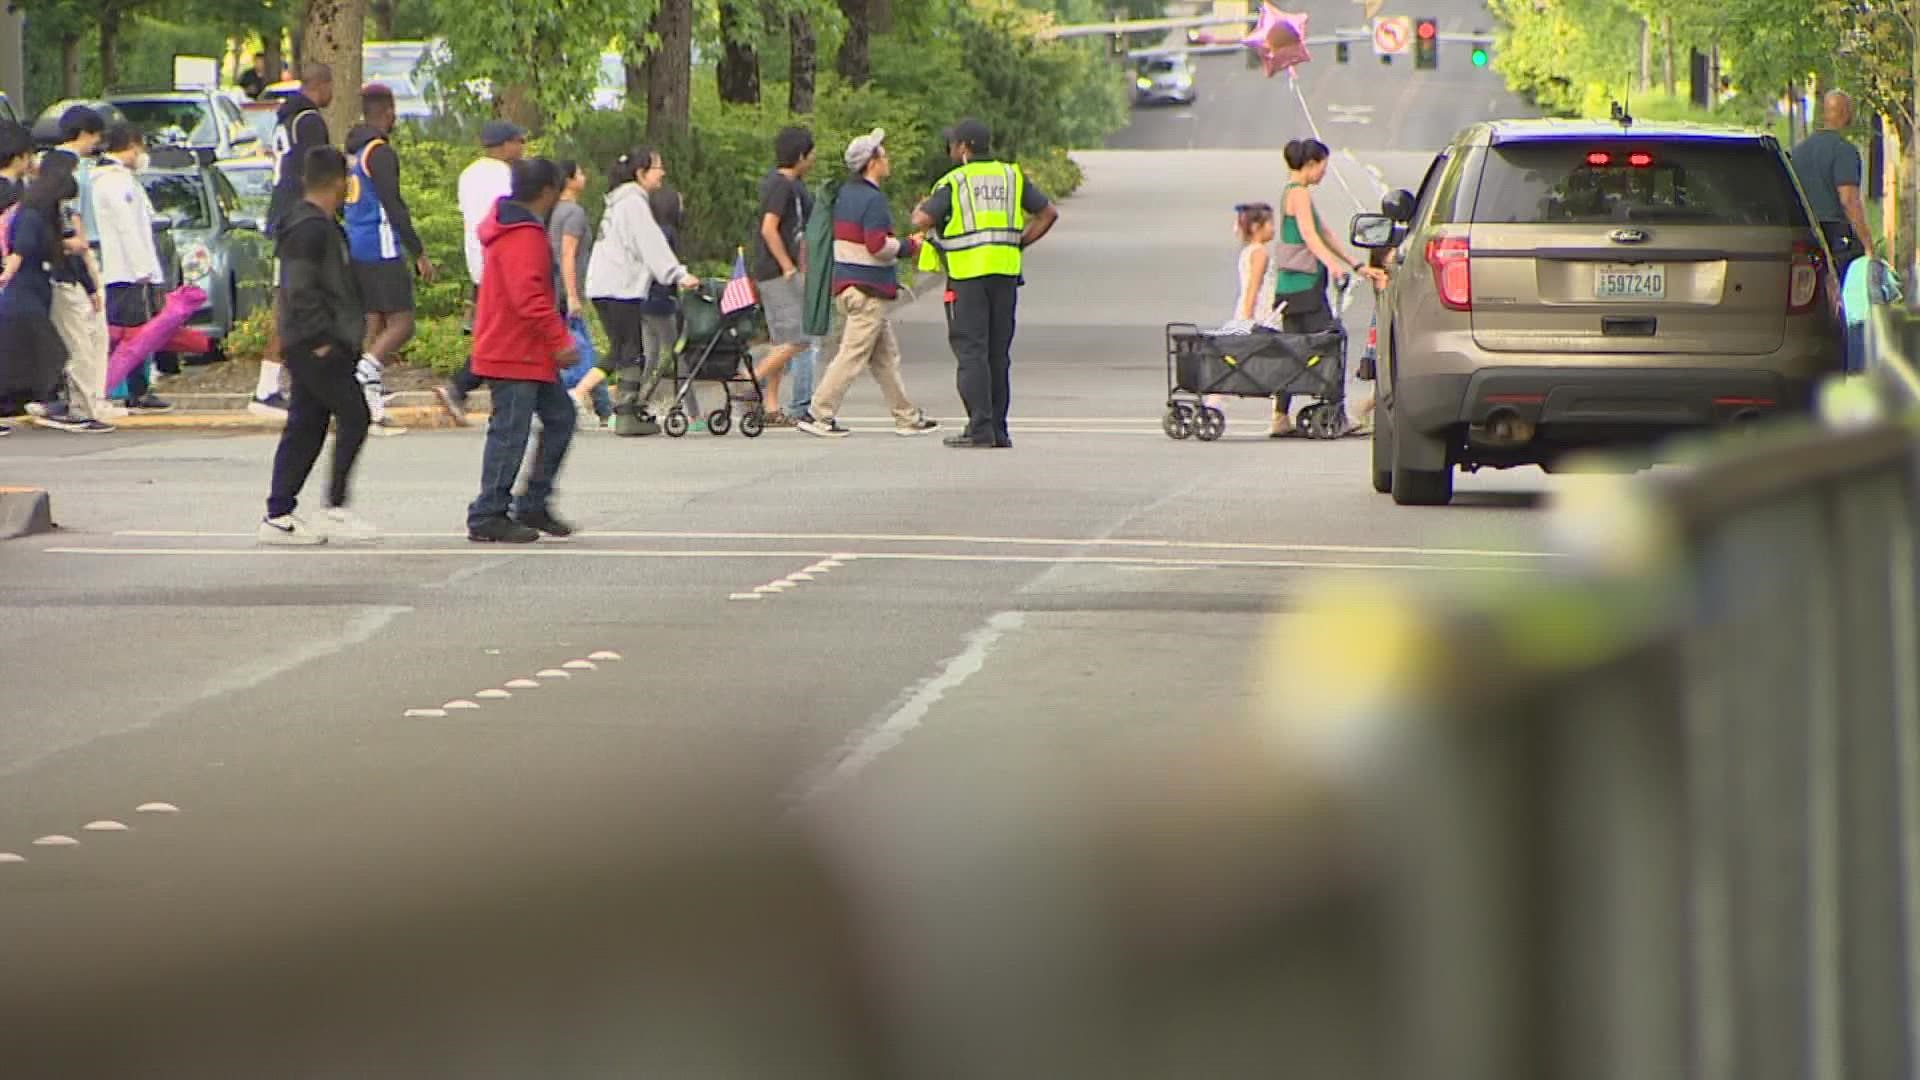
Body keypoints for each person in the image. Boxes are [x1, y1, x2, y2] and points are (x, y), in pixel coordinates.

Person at [912, 118, 1058, 449]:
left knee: (971, 351)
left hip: (967, 277)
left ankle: (979, 427)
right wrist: (1019, 242)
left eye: (952, 144)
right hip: (1006, 274)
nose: (950, 149)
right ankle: (999, 429)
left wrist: (919, 209)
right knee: (998, 353)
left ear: (964, 148)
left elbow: (922, 220)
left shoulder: (956, 181)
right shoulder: (1012, 176)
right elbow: (1047, 213)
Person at [259, 147, 377, 545]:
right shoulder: (309, 228)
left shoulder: (319, 225)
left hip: (318, 341)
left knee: (306, 425)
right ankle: (333, 508)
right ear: (340, 182)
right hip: (316, 344)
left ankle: (279, 513)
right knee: (354, 414)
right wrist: (321, 340)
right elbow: (300, 287)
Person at [467, 159, 581, 544]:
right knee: (510, 431)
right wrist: (560, 340)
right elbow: (528, 296)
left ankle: (533, 500)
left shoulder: (514, 228)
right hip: (514, 351)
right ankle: (488, 511)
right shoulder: (524, 235)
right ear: (548, 191)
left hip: (525, 351)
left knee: (560, 417)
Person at [798, 129, 938, 439]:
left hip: (848, 285)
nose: (888, 159)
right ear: (872, 162)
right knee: (851, 355)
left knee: (886, 358)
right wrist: (908, 247)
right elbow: (877, 245)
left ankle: (906, 416)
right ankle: (818, 413)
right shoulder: (872, 200)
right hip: (867, 291)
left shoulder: (845, 194)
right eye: (883, 154)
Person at [1269, 138, 1386, 437]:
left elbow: (1325, 233)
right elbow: (1310, 235)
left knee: (1293, 349)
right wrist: (1333, 266)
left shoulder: (1293, 193)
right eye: (1323, 166)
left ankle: (1280, 417)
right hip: (1305, 287)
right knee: (1332, 341)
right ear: (1311, 164)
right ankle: (1337, 412)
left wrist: (1356, 265)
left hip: (1290, 288)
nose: (1324, 173)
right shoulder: (1299, 195)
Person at [579, 146, 698, 432]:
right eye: (658, 167)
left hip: (603, 284)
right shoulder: (633, 202)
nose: (663, 173)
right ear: (640, 172)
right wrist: (678, 274)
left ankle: (622, 409)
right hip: (620, 286)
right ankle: (627, 415)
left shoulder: (619, 201)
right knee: (632, 350)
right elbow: (650, 243)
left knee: (623, 348)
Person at [344, 82, 433, 435]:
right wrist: (418, 251)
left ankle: (370, 408)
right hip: (381, 245)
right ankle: (363, 373)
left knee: (375, 323)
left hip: (356, 242)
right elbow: (393, 204)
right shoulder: (379, 152)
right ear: (388, 112)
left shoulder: (354, 150)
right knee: (403, 322)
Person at [256, 62, 336, 418]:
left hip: (281, 212)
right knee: (295, 298)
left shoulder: (284, 117)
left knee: (295, 296)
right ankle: (267, 387)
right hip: (299, 216)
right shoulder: (310, 120)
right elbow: (317, 172)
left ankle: (287, 380)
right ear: (322, 85)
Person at [438, 120, 528, 425]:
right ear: (505, 145)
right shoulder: (505, 176)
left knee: (494, 332)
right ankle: (462, 384)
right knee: (503, 334)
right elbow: (509, 215)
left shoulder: (468, 174)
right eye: (519, 141)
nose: (522, 148)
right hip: (500, 262)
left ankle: (481, 389)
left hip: (477, 261)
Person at [0, 157, 98, 432]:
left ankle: (45, 401)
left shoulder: (42, 217)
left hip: (37, 291)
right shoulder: (31, 216)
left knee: (34, 353)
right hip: (23, 293)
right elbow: (20, 249)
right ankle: (49, 403)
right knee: (50, 351)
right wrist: (6, 275)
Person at [41, 106, 120, 428]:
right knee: (86, 336)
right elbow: (75, 223)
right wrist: (88, 267)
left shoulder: (48, 164)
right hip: (75, 259)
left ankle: (86, 401)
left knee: (83, 335)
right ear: (86, 133)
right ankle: (85, 405)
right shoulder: (71, 170)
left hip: (65, 261)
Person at [91, 122, 173, 414]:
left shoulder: (119, 178)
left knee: (132, 333)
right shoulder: (114, 181)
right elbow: (128, 228)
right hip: (126, 271)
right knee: (132, 334)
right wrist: (143, 270)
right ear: (131, 145)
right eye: (140, 148)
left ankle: (133, 388)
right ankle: (130, 389)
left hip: (128, 270)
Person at [748, 126, 816, 427]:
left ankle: (771, 405)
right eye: (810, 153)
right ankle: (748, 382)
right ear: (800, 155)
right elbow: (768, 228)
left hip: (781, 270)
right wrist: (787, 266)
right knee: (799, 338)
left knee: (781, 340)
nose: (813, 159)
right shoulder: (780, 185)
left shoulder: (792, 185)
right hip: (777, 272)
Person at [548, 159, 612, 428]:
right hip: (565, 291)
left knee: (581, 347)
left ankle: (603, 408)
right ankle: (595, 405)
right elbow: (568, 254)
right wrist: (573, 294)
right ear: (570, 180)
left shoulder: (550, 211)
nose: (584, 176)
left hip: (552, 289)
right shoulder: (573, 213)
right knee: (580, 350)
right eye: (581, 172)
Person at [1792, 91, 1874, 283]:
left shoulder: (1798, 151)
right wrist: (1867, 243)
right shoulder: (1844, 151)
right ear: (1846, 113)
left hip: (1804, 233)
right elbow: (1848, 200)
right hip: (1835, 235)